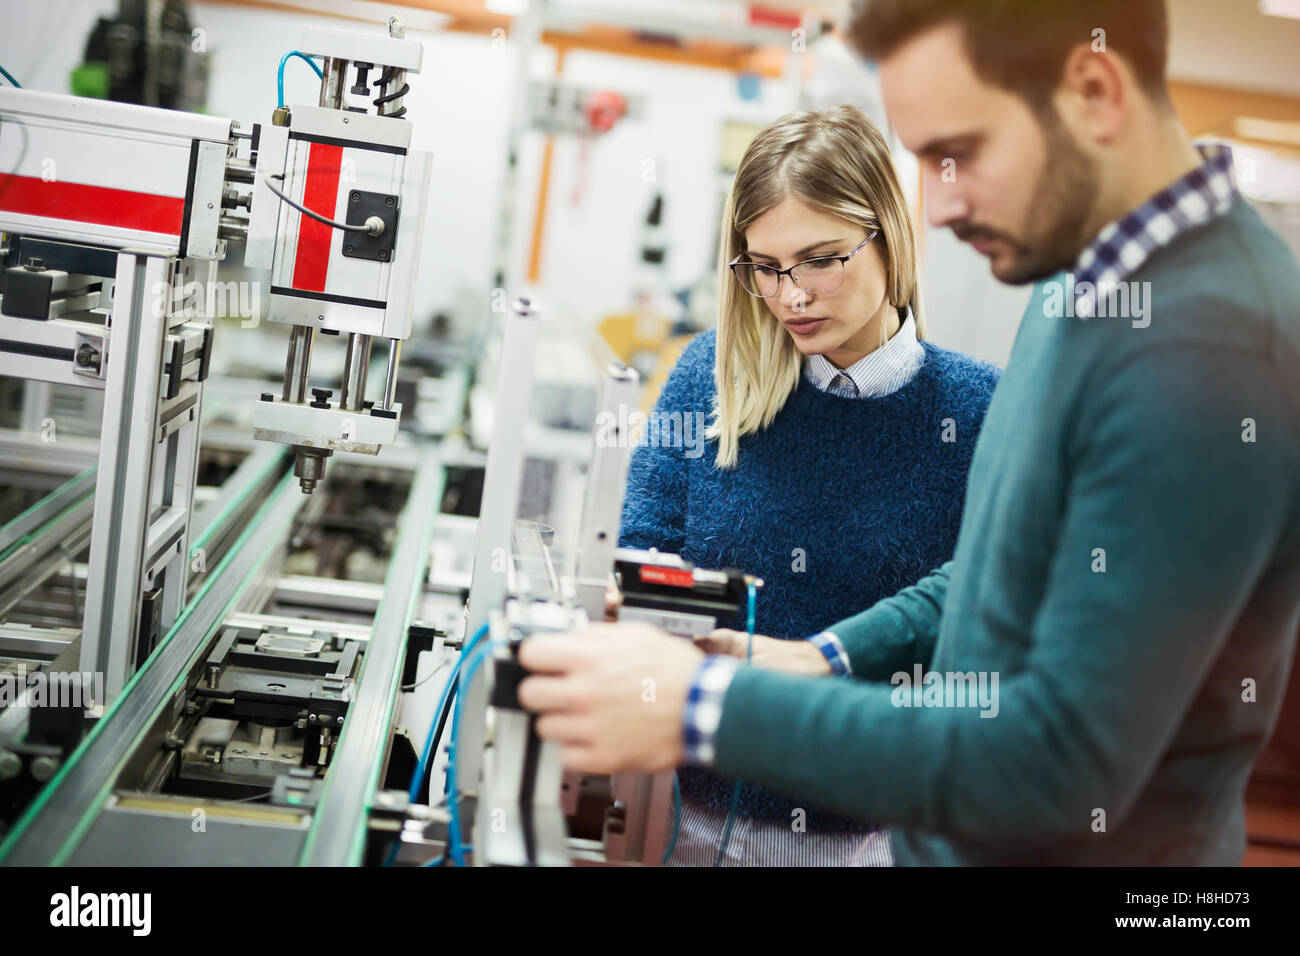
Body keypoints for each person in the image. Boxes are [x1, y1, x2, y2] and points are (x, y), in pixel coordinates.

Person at [517, 0, 1300, 865]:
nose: (933, 209)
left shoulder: (1215, 344)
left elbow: (1059, 766)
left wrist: (704, 709)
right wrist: (825, 656)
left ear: (1094, 90)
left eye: (956, 154)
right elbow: (991, 567)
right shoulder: (1080, 283)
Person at [615, 104, 999, 865]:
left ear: (888, 234)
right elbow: (641, 548)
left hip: (869, 837)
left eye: (822, 259)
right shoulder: (710, 374)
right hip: (682, 815)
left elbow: (979, 611)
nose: (791, 295)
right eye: (765, 266)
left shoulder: (981, 409)